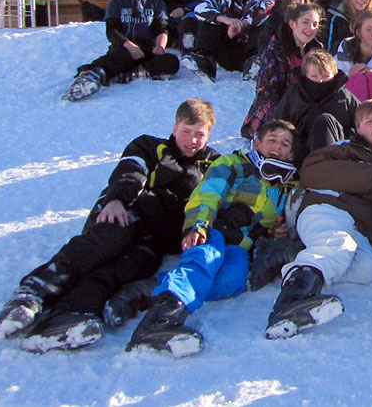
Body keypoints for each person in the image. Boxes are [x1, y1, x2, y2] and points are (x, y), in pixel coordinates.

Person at [0, 99, 220, 352]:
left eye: (200, 134)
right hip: (124, 211)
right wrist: (117, 199)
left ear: (209, 135)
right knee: (107, 240)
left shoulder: (213, 165)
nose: (192, 140)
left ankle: (68, 316)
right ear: (175, 128)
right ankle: (33, 293)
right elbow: (131, 170)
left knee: (125, 268)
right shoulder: (150, 146)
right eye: (187, 132)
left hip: (154, 238)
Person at [125, 121, 298, 356]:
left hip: (240, 245)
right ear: (257, 143)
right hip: (213, 229)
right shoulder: (234, 165)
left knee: (232, 280)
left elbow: (269, 222)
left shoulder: (285, 186)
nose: (278, 146)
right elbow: (208, 193)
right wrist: (199, 224)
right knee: (205, 261)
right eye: (272, 140)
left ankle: (151, 289)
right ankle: (158, 324)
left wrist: (273, 232)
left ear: (291, 152)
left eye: (285, 143)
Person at [264, 100, 372, 339]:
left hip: (355, 222)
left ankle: (299, 260)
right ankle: (290, 301)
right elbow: (312, 172)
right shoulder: (347, 148)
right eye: (369, 121)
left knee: (366, 268)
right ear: (358, 129)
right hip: (325, 207)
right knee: (339, 245)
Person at [64, 0, 179, 101]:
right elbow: (112, 31)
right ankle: (91, 78)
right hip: (125, 48)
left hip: (148, 50)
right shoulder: (118, 2)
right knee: (118, 58)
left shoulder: (156, 1)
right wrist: (129, 46)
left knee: (171, 62)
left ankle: (128, 74)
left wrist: (160, 45)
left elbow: (162, 27)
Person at [241, 3, 324, 140]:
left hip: (307, 107)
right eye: (305, 22)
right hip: (277, 108)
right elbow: (269, 92)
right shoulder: (276, 51)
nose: (311, 28)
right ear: (293, 24)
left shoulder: (316, 50)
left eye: (315, 24)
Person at [182, 0, 274, 82]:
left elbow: (265, 10)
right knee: (208, 19)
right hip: (228, 50)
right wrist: (226, 20)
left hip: (252, 52)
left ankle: (255, 66)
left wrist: (242, 24)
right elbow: (200, 9)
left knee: (265, 23)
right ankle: (204, 62)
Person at [273, 50, 363, 159]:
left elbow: (363, 119)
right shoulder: (294, 94)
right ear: (306, 75)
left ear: (334, 75)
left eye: (325, 76)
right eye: (314, 76)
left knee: (324, 122)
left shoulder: (343, 96)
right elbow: (279, 123)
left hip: (337, 152)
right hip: (299, 152)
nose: (320, 81)